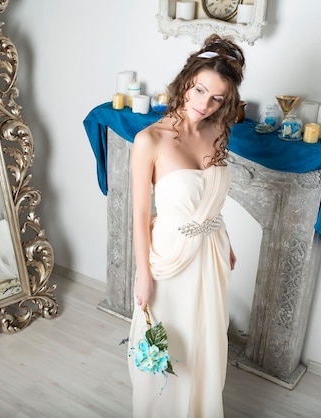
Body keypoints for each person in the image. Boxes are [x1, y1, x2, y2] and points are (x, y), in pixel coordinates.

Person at [127, 34, 242, 417]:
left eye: (217, 99)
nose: (203, 104)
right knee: (170, 344)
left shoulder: (217, 131)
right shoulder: (150, 140)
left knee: (205, 341)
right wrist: (143, 275)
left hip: (210, 253)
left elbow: (212, 201)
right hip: (169, 258)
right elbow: (140, 216)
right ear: (185, 82)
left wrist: (223, 241)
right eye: (199, 90)